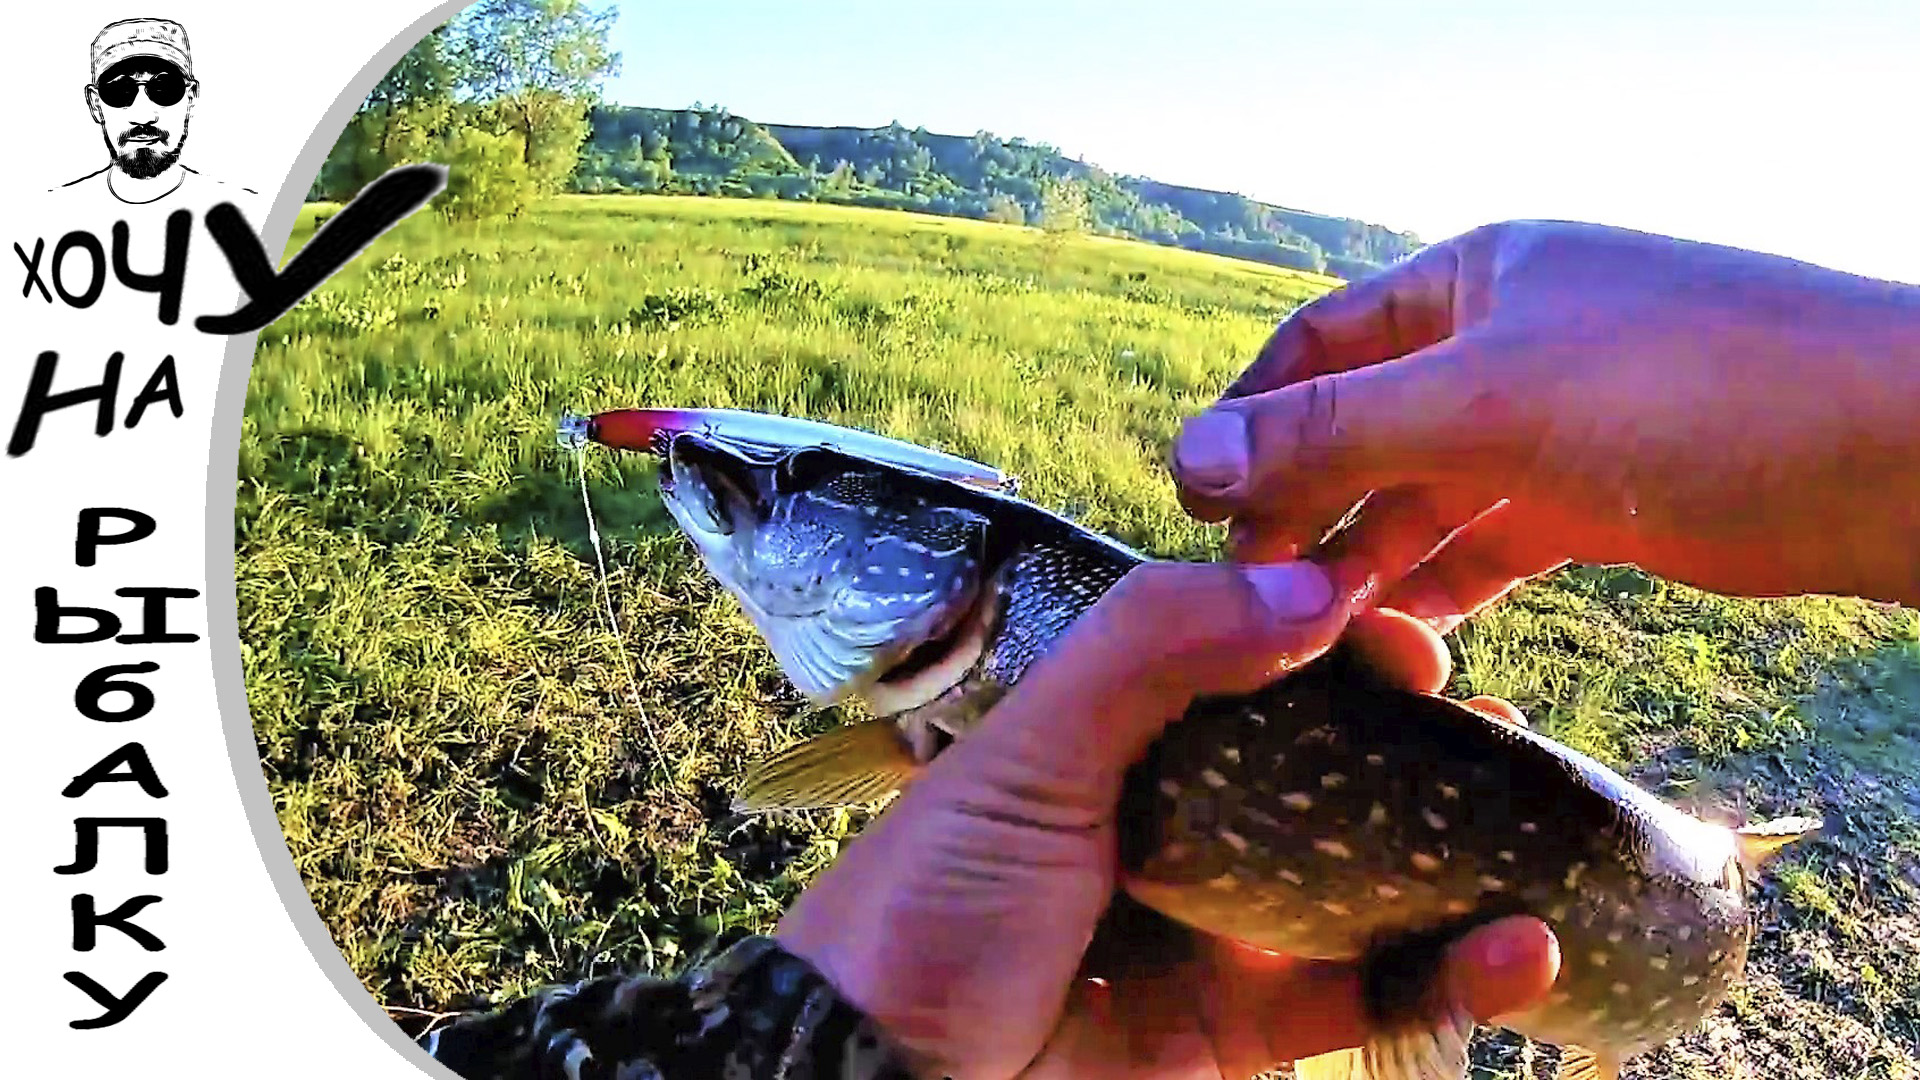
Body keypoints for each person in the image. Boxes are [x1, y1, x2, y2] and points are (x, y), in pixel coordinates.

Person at [421, 219, 1920, 1079]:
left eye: (827, 494)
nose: (770, 497)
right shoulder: (957, 704)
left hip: (1647, 912)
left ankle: (1707, 876)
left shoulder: (972, 679)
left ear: (964, 586)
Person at [53, 18, 259, 209]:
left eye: (164, 89)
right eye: (120, 91)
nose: (143, 116)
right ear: (95, 103)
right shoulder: (52, 214)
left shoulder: (249, 213)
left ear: (191, 98)